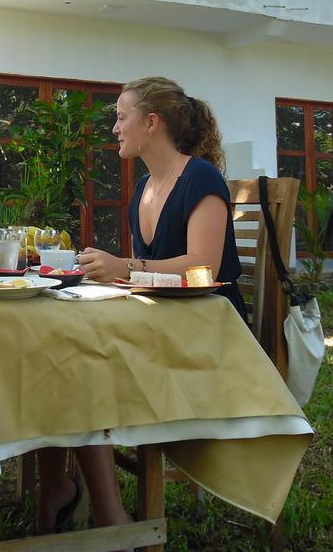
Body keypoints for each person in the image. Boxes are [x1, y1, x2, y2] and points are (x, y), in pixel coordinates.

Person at [37, 76, 243, 534]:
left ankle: (103, 511)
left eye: (120, 116)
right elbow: (150, 272)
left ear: (151, 122)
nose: (114, 127)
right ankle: (59, 486)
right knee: (55, 348)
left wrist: (123, 267)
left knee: (77, 361)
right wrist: (107, 271)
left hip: (209, 336)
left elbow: (202, 270)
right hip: (165, 322)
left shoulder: (201, 177)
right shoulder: (146, 186)